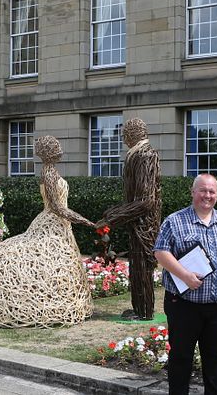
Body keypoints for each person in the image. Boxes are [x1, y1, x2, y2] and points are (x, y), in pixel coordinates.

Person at [0, 136, 94, 327]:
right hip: (52, 220)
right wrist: (86, 221)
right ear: (46, 152)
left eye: (57, 145)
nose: (58, 148)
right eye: (53, 146)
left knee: (54, 263)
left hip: (59, 225)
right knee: (45, 259)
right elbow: (57, 207)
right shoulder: (48, 174)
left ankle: (55, 301)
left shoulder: (52, 171)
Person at [153, 174, 217, 395]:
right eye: (203, 190)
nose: (207, 195)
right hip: (184, 304)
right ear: (193, 192)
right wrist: (185, 275)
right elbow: (160, 252)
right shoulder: (175, 220)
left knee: (215, 360)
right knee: (181, 357)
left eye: (212, 191)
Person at [96, 118, 161, 320]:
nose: (123, 137)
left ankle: (145, 312)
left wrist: (112, 218)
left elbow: (145, 201)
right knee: (137, 267)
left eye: (126, 133)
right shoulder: (136, 155)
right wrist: (112, 214)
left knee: (142, 268)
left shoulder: (145, 155)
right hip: (137, 222)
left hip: (144, 224)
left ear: (133, 134)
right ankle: (139, 309)